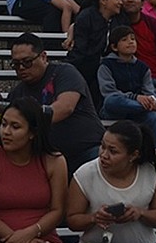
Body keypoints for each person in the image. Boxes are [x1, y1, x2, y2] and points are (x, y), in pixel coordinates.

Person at [0, 98, 73, 243]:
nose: (6, 131)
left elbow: (58, 210)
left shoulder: (54, 161)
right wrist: (19, 240)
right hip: (2, 240)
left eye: (15, 127)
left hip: (43, 238)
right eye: (3, 124)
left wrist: (30, 234)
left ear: (32, 133)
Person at [66, 120, 156, 243]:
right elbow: (72, 220)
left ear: (133, 155)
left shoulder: (153, 172)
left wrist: (140, 213)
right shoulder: (85, 174)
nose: (104, 155)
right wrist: (95, 218)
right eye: (102, 147)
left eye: (113, 151)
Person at [6, 32, 105, 176]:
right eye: (16, 64)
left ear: (43, 57)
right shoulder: (17, 94)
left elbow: (65, 107)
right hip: (50, 159)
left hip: (87, 151)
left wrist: (29, 121)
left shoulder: (64, 72)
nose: (21, 67)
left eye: (27, 62)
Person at [97, 25, 156, 146]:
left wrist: (148, 100)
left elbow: (148, 91)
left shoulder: (142, 67)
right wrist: (135, 98)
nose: (130, 42)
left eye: (132, 39)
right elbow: (109, 92)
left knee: (153, 117)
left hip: (137, 111)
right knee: (111, 100)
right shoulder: (106, 65)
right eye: (124, 40)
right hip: (116, 109)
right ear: (114, 47)